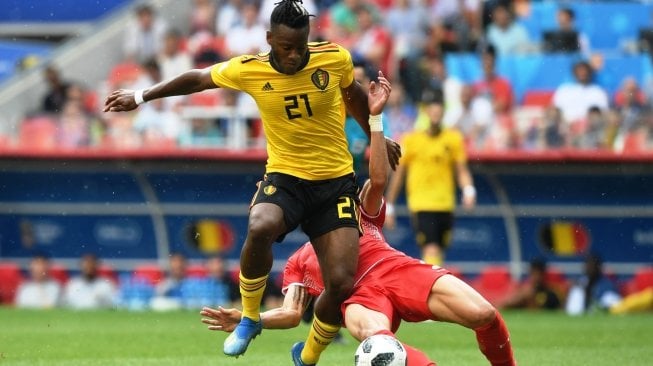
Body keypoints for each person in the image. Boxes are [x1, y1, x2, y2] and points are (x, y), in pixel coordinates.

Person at [104, 0, 400, 361]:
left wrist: (376, 136)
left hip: (334, 181)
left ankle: (306, 355)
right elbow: (197, 79)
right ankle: (248, 316)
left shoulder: (334, 58)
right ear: (269, 38)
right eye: (286, 47)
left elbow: (352, 95)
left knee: (340, 283)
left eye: (301, 47)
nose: (294, 56)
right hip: (285, 176)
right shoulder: (249, 69)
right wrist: (139, 95)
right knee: (261, 225)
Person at [200, 87, 516, 365]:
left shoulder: (352, 210)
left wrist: (375, 120)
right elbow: (292, 313)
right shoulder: (298, 262)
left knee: (484, 315)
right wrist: (250, 318)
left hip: (397, 270)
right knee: (380, 347)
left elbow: (378, 179)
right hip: (361, 301)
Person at [385, 90, 476, 266]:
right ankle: (433, 290)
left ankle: (432, 286)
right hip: (422, 204)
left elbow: (461, 169)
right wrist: (389, 204)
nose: (435, 112)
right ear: (426, 112)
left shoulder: (453, 139)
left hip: (446, 203)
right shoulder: (411, 140)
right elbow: (398, 175)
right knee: (431, 249)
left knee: (439, 250)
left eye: (439, 108)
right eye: (432, 109)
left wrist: (468, 189)